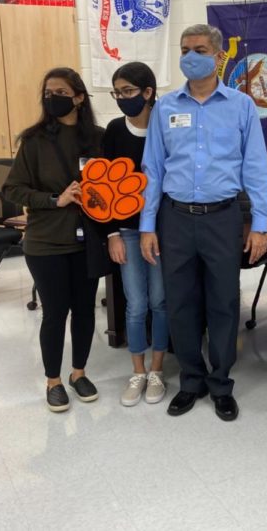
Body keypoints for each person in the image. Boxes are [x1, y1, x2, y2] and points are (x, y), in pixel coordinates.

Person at [140, 24, 267, 422]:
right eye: (184, 49)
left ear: (218, 56)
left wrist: (261, 223)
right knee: (180, 303)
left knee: (223, 303)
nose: (189, 56)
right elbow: (153, 169)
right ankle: (191, 381)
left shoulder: (240, 106)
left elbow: (255, 167)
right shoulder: (165, 107)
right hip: (175, 218)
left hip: (222, 218)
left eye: (198, 49)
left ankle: (220, 383)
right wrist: (147, 224)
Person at [3, 67, 105, 413]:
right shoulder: (34, 140)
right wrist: (54, 200)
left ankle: (78, 373)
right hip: (46, 242)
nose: (52, 98)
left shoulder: (98, 138)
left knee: (85, 311)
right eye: (48, 92)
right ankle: (53, 381)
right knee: (55, 312)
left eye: (61, 92)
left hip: (87, 240)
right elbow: (13, 189)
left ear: (79, 97)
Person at [102, 62, 169, 407]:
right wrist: (111, 233)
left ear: (148, 92)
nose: (122, 98)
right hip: (127, 231)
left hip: (161, 231)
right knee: (136, 303)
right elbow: (101, 186)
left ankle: (157, 369)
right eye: (117, 92)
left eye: (128, 91)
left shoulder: (165, 123)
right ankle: (138, 370)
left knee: (160, 301)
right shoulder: (114, 130)